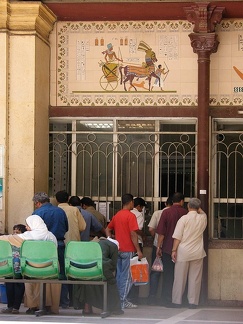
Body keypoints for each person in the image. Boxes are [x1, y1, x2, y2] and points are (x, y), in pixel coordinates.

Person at [0, 215, 59, 314]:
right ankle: (47, 306)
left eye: (28, 225)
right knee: (48, 284)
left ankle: (33, 306)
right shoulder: (51, 235)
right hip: (49, 267)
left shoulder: (28, 235)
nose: (26, 227)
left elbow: (10, 238)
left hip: (31, 266)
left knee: (30, 284)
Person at [105, 193, 143, 309]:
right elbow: (133, 234)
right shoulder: (131, 216)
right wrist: (138, 250)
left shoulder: (117, 215)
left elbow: (107, 229)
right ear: (131, 202)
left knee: (119, 276)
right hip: (128, 249)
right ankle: (120, 301)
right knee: (127, 277)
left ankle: (120, 299)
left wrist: (111, 241)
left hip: (118, 250)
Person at [32, 192, 69, 308]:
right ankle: (63, 301)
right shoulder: (60, 211)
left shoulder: (37, 213)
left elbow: (33, 231)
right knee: (62, 273)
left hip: (43, 247)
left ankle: (45, 302)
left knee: (44, 273)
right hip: (59, 244)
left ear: (38, 203)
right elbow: (66, 228)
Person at [73, 237, 123, 316]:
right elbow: (113, 265)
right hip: (101, 265)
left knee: (87, 281)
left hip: (84, 266)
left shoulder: (96, 242)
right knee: (111, 282)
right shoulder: (114, 246)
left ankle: (87, 309)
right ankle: (114, 308)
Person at [171, 198, 207, 309]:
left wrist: (173, 250)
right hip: (197, 252)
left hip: (183, 252)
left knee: (179, 278)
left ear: (188, 206)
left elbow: (177, 237)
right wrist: (198, 208)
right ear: (198, 207)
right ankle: (193, 302)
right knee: (195, 278)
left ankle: (177, 301)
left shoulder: (184, 219)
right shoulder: (203, 218)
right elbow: (202, 212)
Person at [55, 190, 86, 308]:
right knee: (74, 274)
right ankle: (75, 301)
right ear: (68, 199)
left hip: (58, 245)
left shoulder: (55, 211)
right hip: (74, 246)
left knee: (61, 272)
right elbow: (83, 227)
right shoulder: (75, 210)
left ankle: (62, 301)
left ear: (56, 200)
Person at [156, 192, 187, 307]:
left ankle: (167, 299)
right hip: (182, 250)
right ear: (182, 201)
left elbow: (161, 233)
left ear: (172, 201)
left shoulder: (166, 212)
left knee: (168, 275)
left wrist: (159, 247)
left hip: (168, 249)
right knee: (181, 276)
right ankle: (180, 299)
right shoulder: (186, 213)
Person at [147, 197, 173, 305]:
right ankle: (166, 297)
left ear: (165, 203)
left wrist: (156, 239)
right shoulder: (177, 213)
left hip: (157, 246)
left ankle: (152, 296)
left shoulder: (157, 213)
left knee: (155, 271)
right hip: (170, 247)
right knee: (169, 273)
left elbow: (151, 229)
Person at [1, 224, 26, 314]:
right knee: (9, 285)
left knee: (18, 284)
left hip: (18, 267)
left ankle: (16, 307)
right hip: (9, 266)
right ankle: (10, 306)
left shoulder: (23, 240)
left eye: (18, 232)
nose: (15, 234)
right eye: (14, 232)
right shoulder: (10, 240)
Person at [128, 197, 146, 304]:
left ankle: (125, 296)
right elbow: (136, 229)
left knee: (126, 271)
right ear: (138, 206)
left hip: (125, 243)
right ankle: (133, 297)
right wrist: (143, 235)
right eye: (142, 207)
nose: (142, 209)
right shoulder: (138, 215)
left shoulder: (125, 213)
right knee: (136, 271)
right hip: (136, 244)